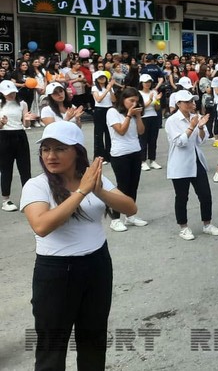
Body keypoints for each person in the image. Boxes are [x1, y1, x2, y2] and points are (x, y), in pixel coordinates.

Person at [20, 121, 137, 370]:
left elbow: (130, 207)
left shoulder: (93, 179)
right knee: (52, 348)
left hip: (97, 264)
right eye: (46, 149)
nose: (51, 156)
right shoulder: (36, 185)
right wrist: (81, 193)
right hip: (56, 272)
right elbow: (41, 225)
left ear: (77, 151)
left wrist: (99, 191)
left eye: (60, 149)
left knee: (93, 340)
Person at [165, 89, 218, 241]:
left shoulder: (194, 117)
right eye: (188, 101)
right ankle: (183, 227)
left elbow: (201, 141)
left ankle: (207, 224)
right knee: (182, 196)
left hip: (196, 160)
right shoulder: (172, 121)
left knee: (205, 194)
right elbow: (179, 142)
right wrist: (192, 126)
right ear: (178, 104)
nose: (192, 103)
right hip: (180, 163)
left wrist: (201, 127)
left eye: (192, 101)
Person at [105, 87, 147, 232]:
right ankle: (115, 219)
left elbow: (141, 131)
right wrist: (129, 115)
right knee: (122, 186)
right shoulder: (113, 112)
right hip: (120, 153)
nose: (134, 103)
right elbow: (121, 131)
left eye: (137, 101)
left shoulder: (135, 114)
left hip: (135, 151)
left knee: (133, 186)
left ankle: (130, 215)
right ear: (123, 100)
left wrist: (139, 116)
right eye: (131, 100)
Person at [0, 80, 37, 211]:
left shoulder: (22, 103)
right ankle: (6, 199)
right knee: (6, 169)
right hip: (4, 136)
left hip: (20, 135)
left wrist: (27, 120)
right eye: (8, 93)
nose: (11, 95)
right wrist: (2, 123)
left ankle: (28, 197)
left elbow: (25, 125)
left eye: (13, 92)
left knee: (25, 168)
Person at [137, 74, 163, 171]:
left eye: (149, 82)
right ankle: (142, 161)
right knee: (143, 140)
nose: (147, 84)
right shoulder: (138, 93)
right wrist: (151, 99)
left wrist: (157, 101)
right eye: (145, 82)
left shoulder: (154, 92)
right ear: (141, 83)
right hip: (143, 118)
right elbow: (141, 107)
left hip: (153, 117)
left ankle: (152, 160)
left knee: (153, 140)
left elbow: (157, 108)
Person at [91, 71, 115, 161]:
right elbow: (98, 99)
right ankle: (99, 155)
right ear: (97, 79)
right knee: (99, 134)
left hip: (109, 109)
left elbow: (114, 100)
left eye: (104, 77)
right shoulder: (94, 88)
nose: (102, 79)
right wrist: (107, 90)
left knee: (109, 133)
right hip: (99, 110)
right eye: (100, 78)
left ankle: (109, 155)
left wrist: (110, 90)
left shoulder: (109, 88)